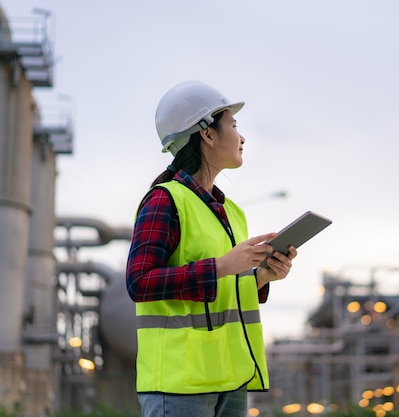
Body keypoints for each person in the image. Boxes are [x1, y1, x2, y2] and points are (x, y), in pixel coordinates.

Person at [126, 80, 297, 417]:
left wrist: (262, 276)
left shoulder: (232, 212)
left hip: (230, 379)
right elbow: (139, 282)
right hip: (179, 386)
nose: (242, 136)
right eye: (233, 125)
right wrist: (221, 265)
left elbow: (223, 291)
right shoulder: (165, 199)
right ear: (207, 133)